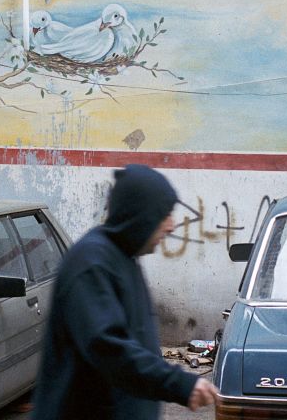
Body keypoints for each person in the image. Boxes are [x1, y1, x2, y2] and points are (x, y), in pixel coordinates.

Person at [32, 164, 220, 420]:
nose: (172, 226)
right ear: (140, 215)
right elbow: (110, 350)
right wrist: (180, 384)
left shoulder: (125, 258)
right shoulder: (91, 263)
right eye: (164, 215)